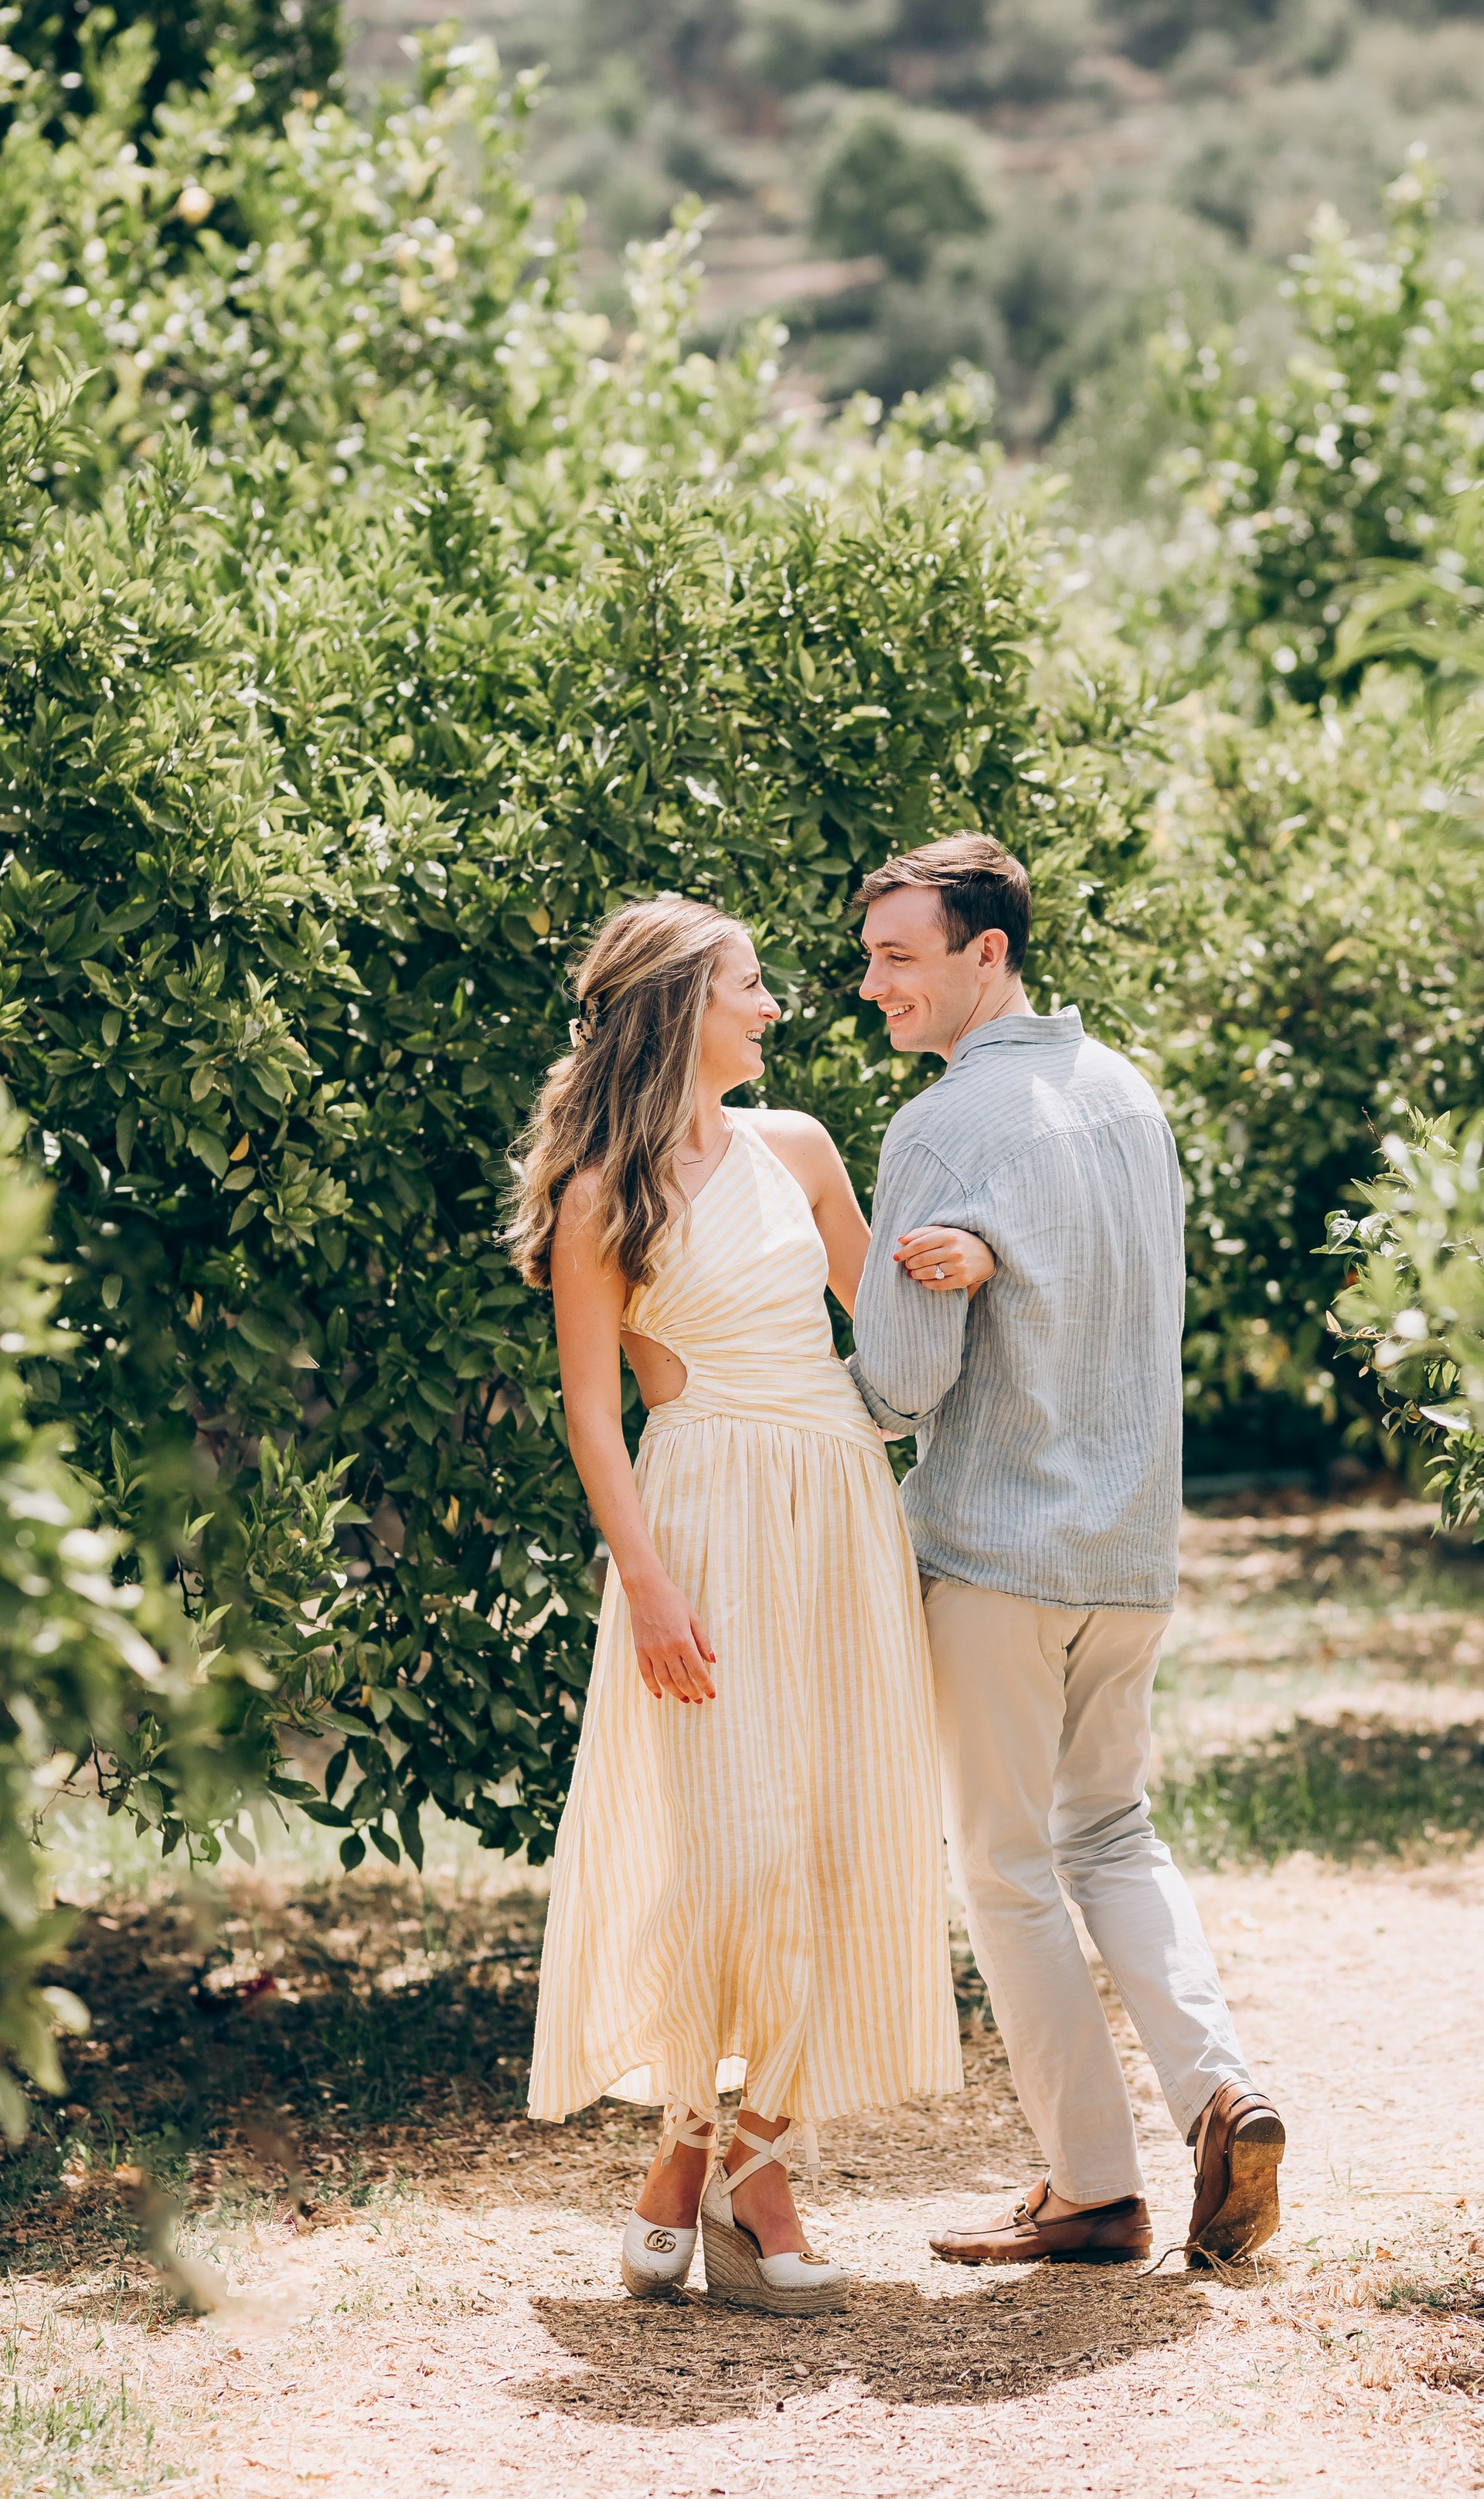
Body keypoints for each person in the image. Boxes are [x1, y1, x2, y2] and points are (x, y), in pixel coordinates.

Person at [509, 895, 989, 2314]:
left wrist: (972, 1257)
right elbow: (594, 1418)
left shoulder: (803, 1149)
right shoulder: (605, 1192)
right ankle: (747, 2183)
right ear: (679, 1009)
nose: (778, 1006)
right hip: (705, 1518)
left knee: (831, 1835)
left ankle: (702, 2171)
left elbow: (888, 1328)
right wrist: (646, 1581)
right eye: (751, 985)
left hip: (838, 1504)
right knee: (729, 1846)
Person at [849, 834, 1285, 2267]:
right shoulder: (1130, 1096)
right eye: (870, 957)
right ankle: (1222, 2092)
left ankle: (1093, 2185)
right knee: (1114, 1829)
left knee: (1009, 1866)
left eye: (900, 957)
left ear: (990, 954)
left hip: (997, 1553)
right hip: (1133, 1549)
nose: (874, 987)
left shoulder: (941, 1130)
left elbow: (901, 1387)